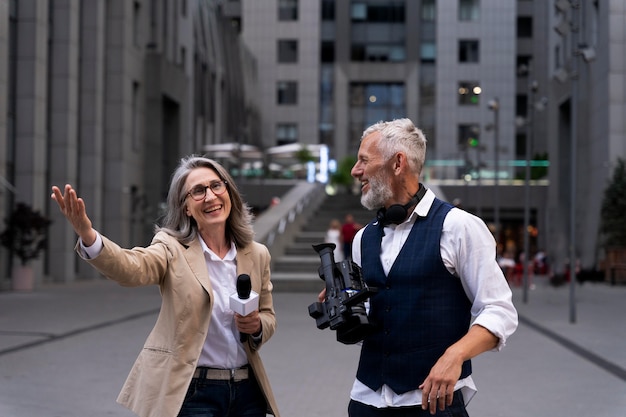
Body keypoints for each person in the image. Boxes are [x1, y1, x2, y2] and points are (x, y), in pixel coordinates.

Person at [51, 156, 281, 417]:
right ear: (185, 208)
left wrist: (258, 326)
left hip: (247, 392)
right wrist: (88, 235)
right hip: (194, 392)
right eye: (198, 191)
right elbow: (131, 268)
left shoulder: (257, 254)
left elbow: (268, 315)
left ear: (228, 191)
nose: (210, 196)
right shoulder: (172, 248)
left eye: (216, 185)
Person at [319, 119, 518, 416]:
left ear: (397, 163)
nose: (355, 170)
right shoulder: (363, 238)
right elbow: (379, 316)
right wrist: (346, 310)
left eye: (363, 160)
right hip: (366, 400)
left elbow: (499, 311)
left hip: (431, 404)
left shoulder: (458, 227)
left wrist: (455, 355)